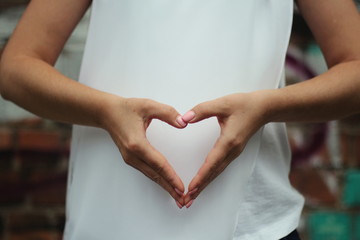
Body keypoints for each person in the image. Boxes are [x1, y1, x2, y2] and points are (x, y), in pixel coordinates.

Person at [0, 0, 359, 239]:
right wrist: (104, 110)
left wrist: (266, 106)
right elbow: (16, 68)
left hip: (251, 228)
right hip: (111, 220)